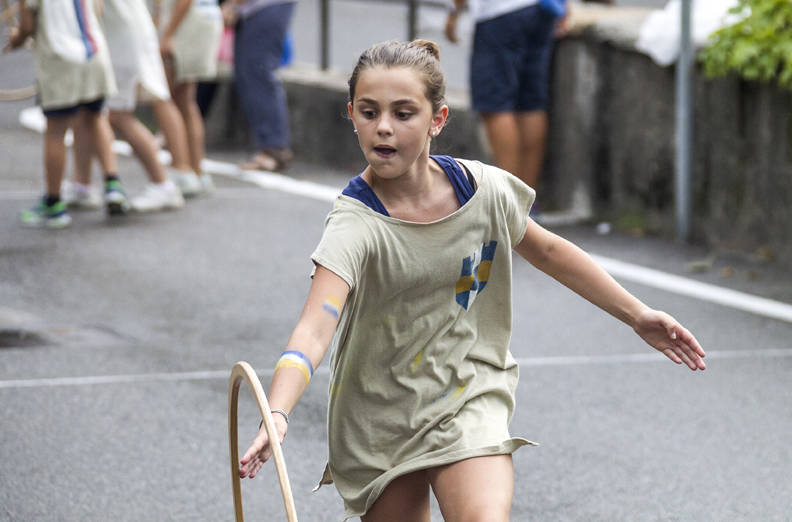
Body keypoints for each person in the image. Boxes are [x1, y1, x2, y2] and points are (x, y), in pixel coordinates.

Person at [237, 40, 706, 521]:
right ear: (351, 114)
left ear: (437, 120)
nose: (383, 127)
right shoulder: (354, 225)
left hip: (467, 392)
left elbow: (548, 250)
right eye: (369, 111)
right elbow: (315, 327)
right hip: (379, 416)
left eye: (403, 113)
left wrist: (637, 315)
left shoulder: (486, 192)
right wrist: (277, 410)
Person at [6, 0, 130, 227]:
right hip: (94, 53)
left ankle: (54, 204)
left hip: (60, 58)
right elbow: (99, 10)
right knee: (96, 118)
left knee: (55, 131)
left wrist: (16, 39)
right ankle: (113, 184)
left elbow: (26, 26)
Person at [68, 0, 186, 213]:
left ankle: (162, 183)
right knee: (87, 110)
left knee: (112, 114)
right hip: (126, 33)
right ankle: (82, 185)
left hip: (118, 40)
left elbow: (95, 8)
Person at [445, 0, 568, 201]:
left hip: (499, 13)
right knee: (530, 104)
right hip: (541, 10)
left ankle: (508, 203)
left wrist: (454, 11)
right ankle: (527, 205)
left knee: (495, 106)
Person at [221, 0, 296, 172]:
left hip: (264, 6)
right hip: (254, 8)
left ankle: (274, 149)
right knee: (250, 71)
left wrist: (233, 4)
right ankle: (270, 147)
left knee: (258, 71)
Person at [158, 0, 222, 196]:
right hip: (201, 19)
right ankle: (196, 171)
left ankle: (183, 170)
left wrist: (168, 33)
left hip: (186, 24)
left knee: (165, 98)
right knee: (184, 100)